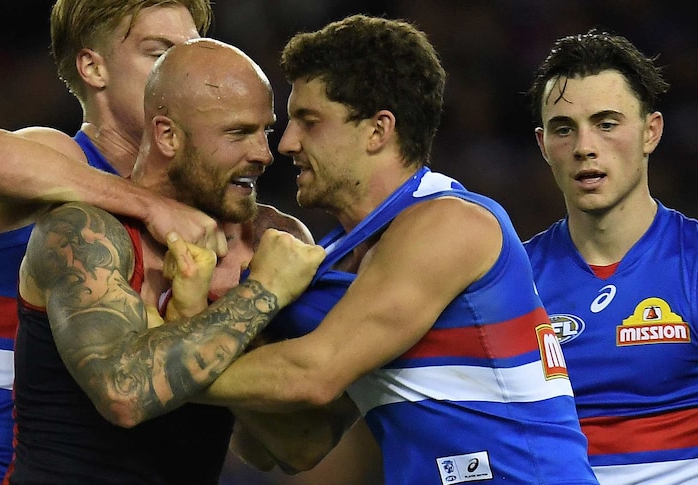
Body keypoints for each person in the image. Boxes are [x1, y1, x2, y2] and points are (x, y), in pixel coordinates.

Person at [194, 14, 600, 484]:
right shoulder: (332, 261)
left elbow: (311, 374)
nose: (286, 143)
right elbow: (298, 445)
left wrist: (162, 368)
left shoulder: (451, 223)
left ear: (377, 129)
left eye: (309, 121)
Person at [0, 2, 224, 484]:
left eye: (189, 55)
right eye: (158, 54)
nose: (179, 76)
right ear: (93, 67)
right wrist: (145, 205)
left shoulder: (197, 210)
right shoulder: (63, 157)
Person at [6, 38, 326, 484]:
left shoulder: (270, 242)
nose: (263, 154)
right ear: (167, 135)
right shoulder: (83, 232)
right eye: (237, 133)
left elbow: (298, 447)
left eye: (265, 131)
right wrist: (261, 293)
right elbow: (123, 395)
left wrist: (199, 315)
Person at [523, 29, 698, 484]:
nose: (584, 147)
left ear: (650, 132)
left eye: (606, 123)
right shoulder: (512, 281)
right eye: (564, 129)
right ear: (543, 146)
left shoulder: (693, 263)